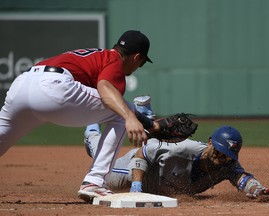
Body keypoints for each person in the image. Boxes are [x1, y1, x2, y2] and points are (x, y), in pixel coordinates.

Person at [0, 30, 159, 203]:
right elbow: (105, 87)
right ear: (136, 57)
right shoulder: (114, 60)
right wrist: (129, 117)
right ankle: (95, 182)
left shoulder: (98, 55)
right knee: (122, 111)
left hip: (22, 83)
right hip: (53, 87)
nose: (138, 67)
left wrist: (149, 124)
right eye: (142, 63)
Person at [85, 119, 269, 200]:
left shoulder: (227, 165)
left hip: (159, 183)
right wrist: (136, 186)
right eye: (220, 152)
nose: (222, 159)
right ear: (210, 142)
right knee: (104, 168)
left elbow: (243, 178)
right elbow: (143, 152)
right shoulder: (183, 147)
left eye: (227, 156)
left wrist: (258, 190)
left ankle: (147, 113)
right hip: (139, 173)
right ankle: (92, 133)